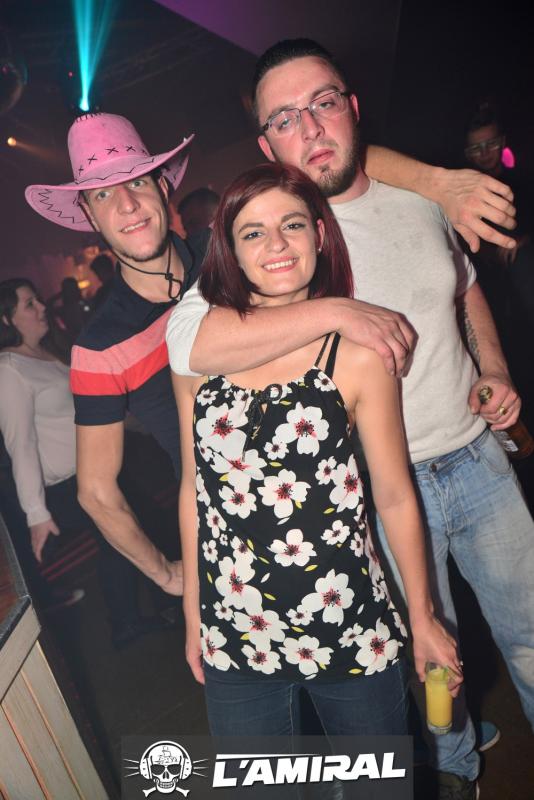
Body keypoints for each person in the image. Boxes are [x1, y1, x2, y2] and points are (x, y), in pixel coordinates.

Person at [166, 39, 534, 800]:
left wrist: (493, 367)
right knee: (432, 664)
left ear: (352, 107)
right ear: (268, 143)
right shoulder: (275, 224)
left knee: (527, 631)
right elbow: (187, 341)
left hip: (474, 456)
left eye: (324, 103)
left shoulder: (420, 198)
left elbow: (464, 287)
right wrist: (339, 308)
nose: (310, 127)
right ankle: (454, 770)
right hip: (370, 491)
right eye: (285, 118)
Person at [24, 109, 517, 625]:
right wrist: (170, 576)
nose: (127, 204)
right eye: (103, 194)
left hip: (337, 504)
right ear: (88, 214)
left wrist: (438, 183)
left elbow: (327, 169)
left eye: (138, 182)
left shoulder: (230, 247)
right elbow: (96, 492)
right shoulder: (99, 346)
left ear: (163, 186)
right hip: (235, 547)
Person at [172, 163, 462, 750]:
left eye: (293, 224)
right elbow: (193, 491)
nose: (276, 244)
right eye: (253, 232)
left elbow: (394, 494)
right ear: (230, 251)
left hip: (350, 623)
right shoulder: (200, 356)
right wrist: (193, 612)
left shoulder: (358, 354)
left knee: (379, 786)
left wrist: (424, 616)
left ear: (320, 235)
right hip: (237, 632)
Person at [0, 278, 170, 645]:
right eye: (29, 304)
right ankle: (134, 619)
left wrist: (137, 424)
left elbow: (84, 410)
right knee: (125, 538)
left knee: (137, 533)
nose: (42, 307)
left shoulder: (47, 354)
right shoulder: (9, 369)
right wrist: (36, 513)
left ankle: (148, 611)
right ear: (7, 319)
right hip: (68, 483)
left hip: (99, 469)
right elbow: (21, 444)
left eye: (37, 299)